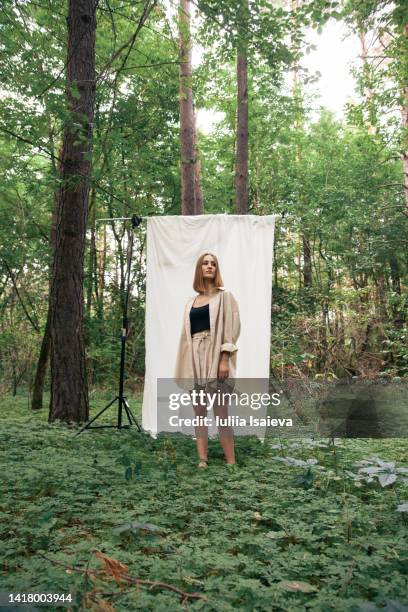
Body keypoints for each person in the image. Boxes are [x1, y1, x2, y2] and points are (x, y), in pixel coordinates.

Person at [174, 253, 240, 468]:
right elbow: (186, 336)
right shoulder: (190, 302)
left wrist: (224, 358)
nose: (209, 266)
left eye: (213, 263)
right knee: (199, 410)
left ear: (216, 269)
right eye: (205, 263)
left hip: (215, 353)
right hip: (195, 357)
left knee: (221, 410)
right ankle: (202, 459)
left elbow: (231, 329)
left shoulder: (225, 296)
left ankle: (231, 460)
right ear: (199, 269)